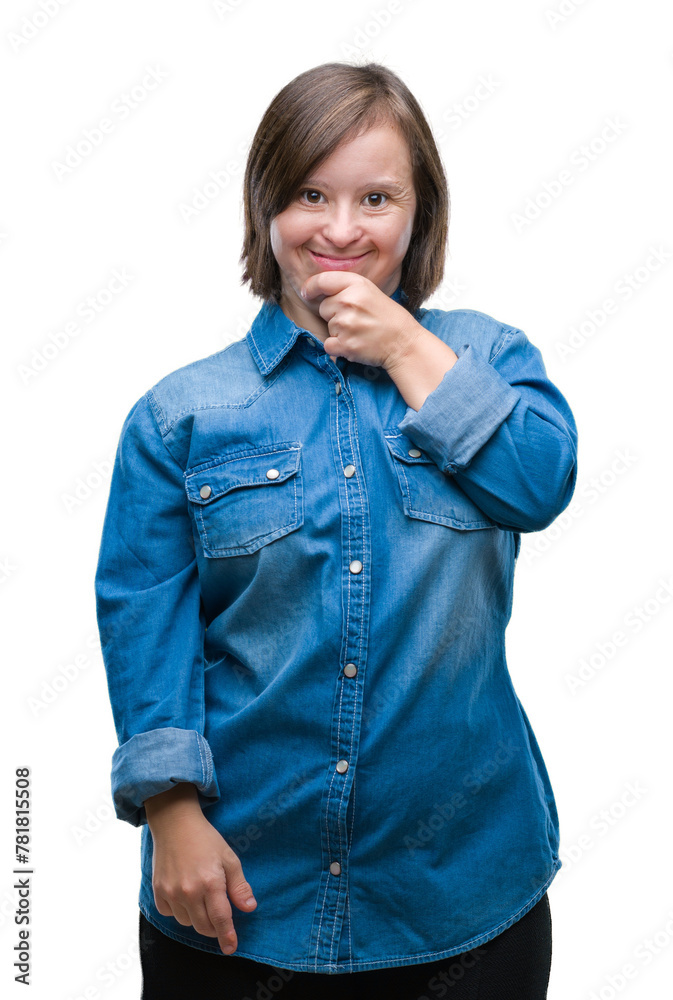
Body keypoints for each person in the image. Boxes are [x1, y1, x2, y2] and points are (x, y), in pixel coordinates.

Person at [94, 61, 578, 999]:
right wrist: (172, 814)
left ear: (418, 212)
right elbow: (143, 622)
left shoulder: (484, 358)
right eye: (311, 193)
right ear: (264, 206)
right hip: (236, 898)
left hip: (466, 897)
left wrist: (401, 343)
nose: (343, 229)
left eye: (377, 196)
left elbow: (541, 483)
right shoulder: (179, 415)